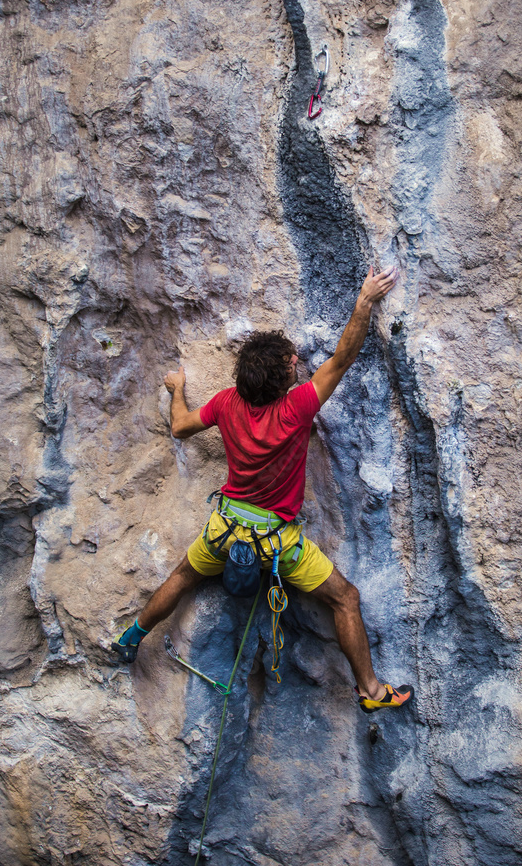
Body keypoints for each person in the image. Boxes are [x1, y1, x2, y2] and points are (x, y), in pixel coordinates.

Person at [111, 267, 411, 711]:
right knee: (345, 598)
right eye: (293, 365)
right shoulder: (297, 408)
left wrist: (176, 388)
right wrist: (365, 300)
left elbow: (179, 426)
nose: (299, 364)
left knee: (181, 577)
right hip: (278, 543)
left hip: (224, 528)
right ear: (283, 382)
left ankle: (130, 637)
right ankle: (370, 691)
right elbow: (342, 358)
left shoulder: (226, 402)